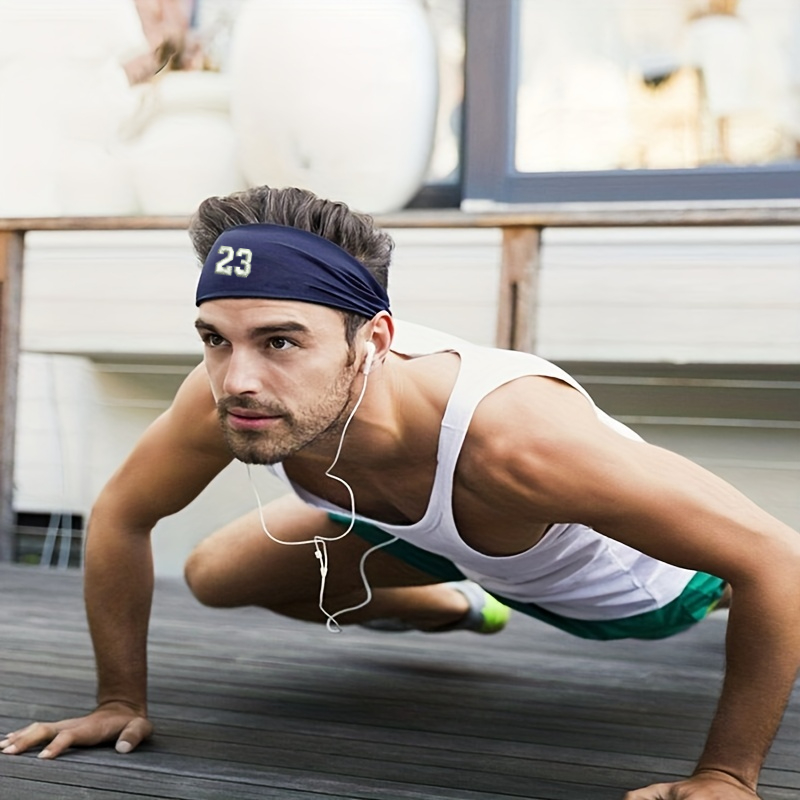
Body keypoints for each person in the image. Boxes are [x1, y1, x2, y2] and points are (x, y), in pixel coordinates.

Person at [2, 186, 798, 800]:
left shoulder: (518, 438)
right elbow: (121, 513)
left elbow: (776, 560)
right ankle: (461, 607)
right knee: (219, 574)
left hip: (629, 593)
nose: (237, 378)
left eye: (280, 340)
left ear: (373, 340)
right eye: (216, 338)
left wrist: (728, 774)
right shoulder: (235, 394)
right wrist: (117, 698)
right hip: (432, 536)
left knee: (744, 583)